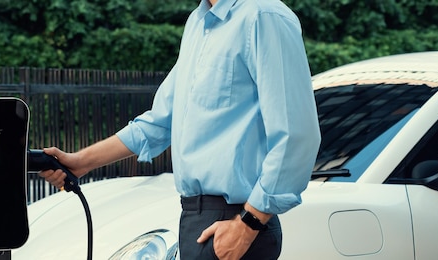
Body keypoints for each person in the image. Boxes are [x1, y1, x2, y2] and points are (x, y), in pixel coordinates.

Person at [39, 0, 321, 259]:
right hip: (194, 219)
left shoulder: (265, 16)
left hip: (237, 221)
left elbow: (296, 135)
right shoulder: (198, 24)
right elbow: (160, 121)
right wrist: (80, 162)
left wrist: (249, 224)